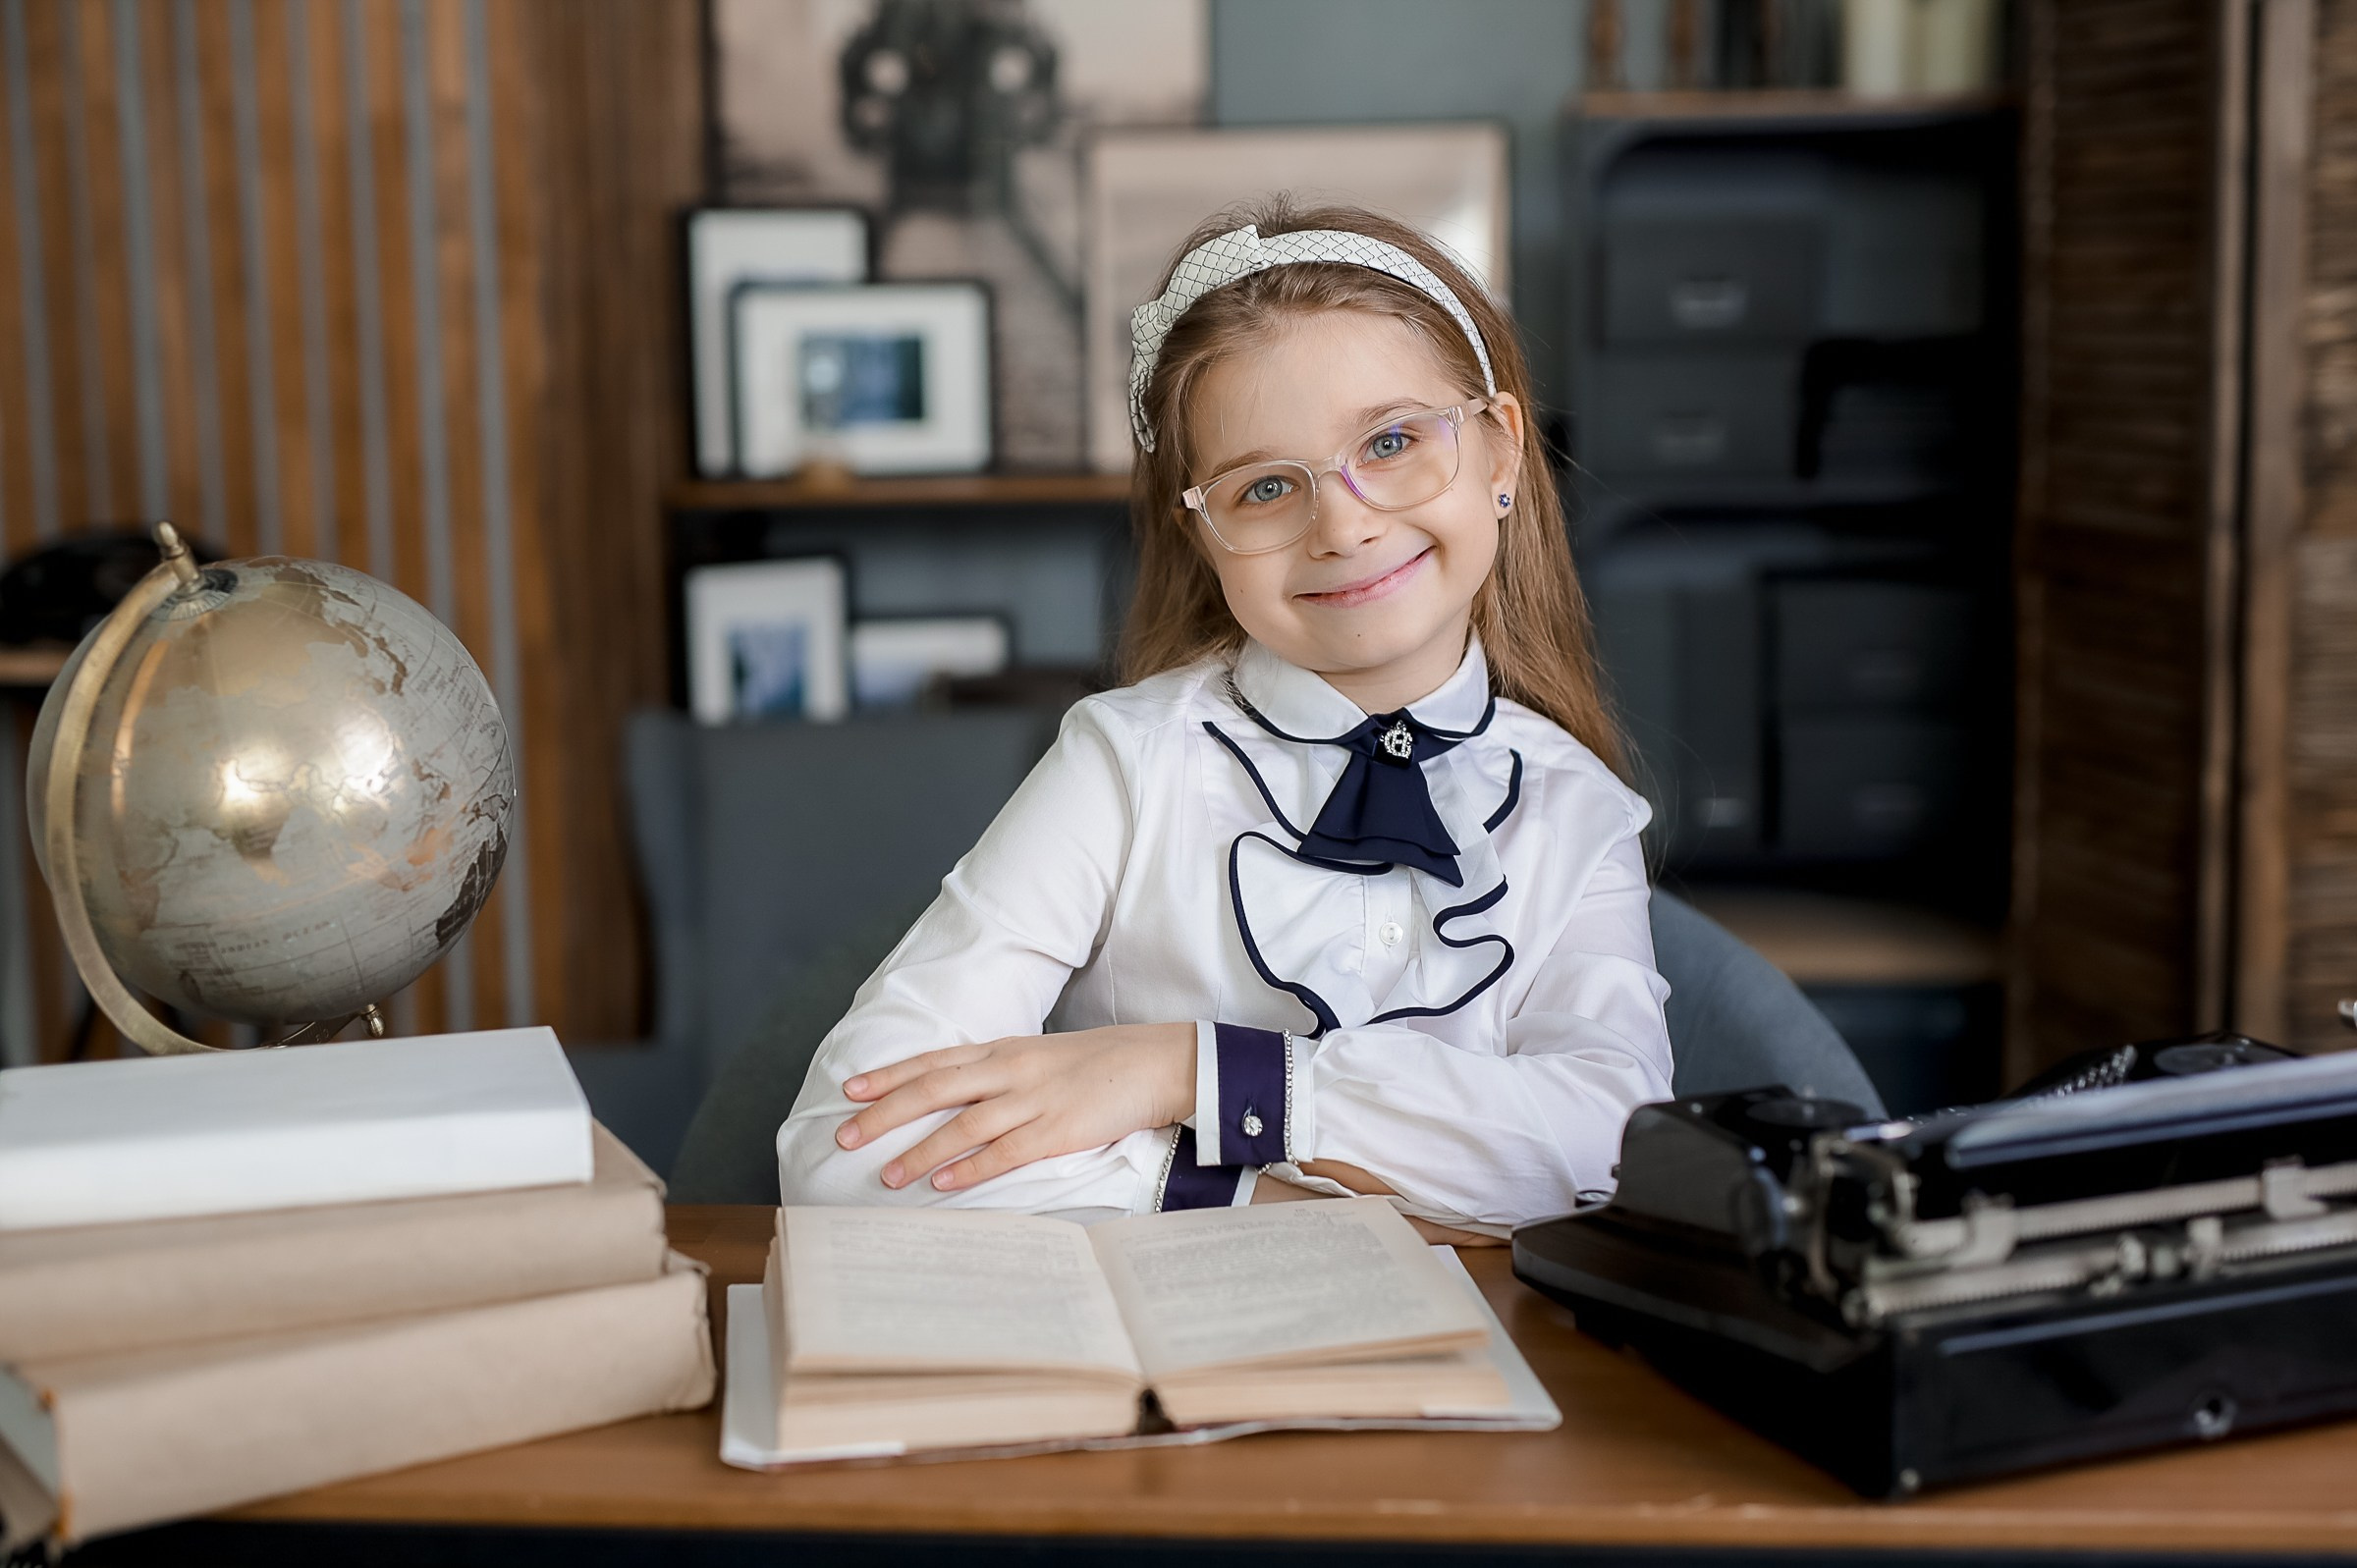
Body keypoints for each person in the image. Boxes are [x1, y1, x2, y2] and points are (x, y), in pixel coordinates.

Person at [774, 200, 1672, 1242]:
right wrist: (1266, 1200)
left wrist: (1189, 1071)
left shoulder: (1581, 811)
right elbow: (843, 1153)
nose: (1343, 524)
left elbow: (1617, 1148)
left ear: (1502, 452)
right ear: (1203, 535)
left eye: (1391, 441)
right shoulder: (1123, 765)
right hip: (1159, 1332)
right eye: (1266, 487)